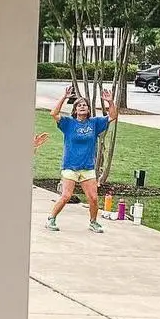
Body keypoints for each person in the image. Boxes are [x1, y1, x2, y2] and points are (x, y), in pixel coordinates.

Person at [46, 85, 117, 233]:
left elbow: (113, 116)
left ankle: (93, 222)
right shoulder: (68, 123)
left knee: (93, 198)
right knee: (66, 196)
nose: (82, 107)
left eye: (84, 105)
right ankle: (51, 219)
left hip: (87, 167)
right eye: (79, 105)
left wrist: (110, 102)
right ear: (75, 110)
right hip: (70, 166)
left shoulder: (95, 123)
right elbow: (53, 113)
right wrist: (64, 97)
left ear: (88, 109)